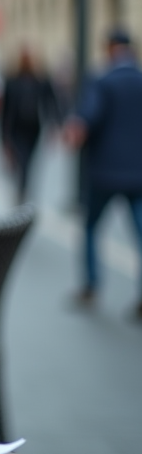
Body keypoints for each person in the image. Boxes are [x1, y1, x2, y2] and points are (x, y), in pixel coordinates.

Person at [64, 29, 142, 314]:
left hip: (105, 172)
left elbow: (89, 116)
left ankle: (91, 286)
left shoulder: (102, 80)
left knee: (91, 227)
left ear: (110, 48)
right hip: (138, 174)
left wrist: (75, 130)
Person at [0, 48, 59, 203]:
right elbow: (5, 110)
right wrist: (3, 138)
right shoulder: (13, 82)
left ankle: (23, 189)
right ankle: (23, 189)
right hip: (17, 128)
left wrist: (53, 124)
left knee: (28, 161)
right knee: (22, 160)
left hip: (33, 128)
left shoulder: (40, 81)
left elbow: (50, 101)